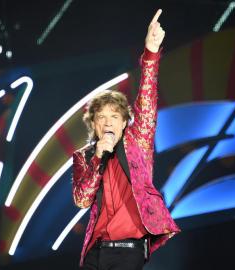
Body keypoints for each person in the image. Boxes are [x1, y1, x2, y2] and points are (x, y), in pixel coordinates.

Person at [72, 9, 180, 270]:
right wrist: (98, 156)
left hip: (127, 250)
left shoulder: (137, 143)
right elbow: (82, 199)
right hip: (94, 253)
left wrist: (151, 53)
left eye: (114, 116)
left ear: (124, 123)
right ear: (93, 124)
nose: (108, 121)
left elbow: (147, 97)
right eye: (101, 117)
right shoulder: (84, 156)